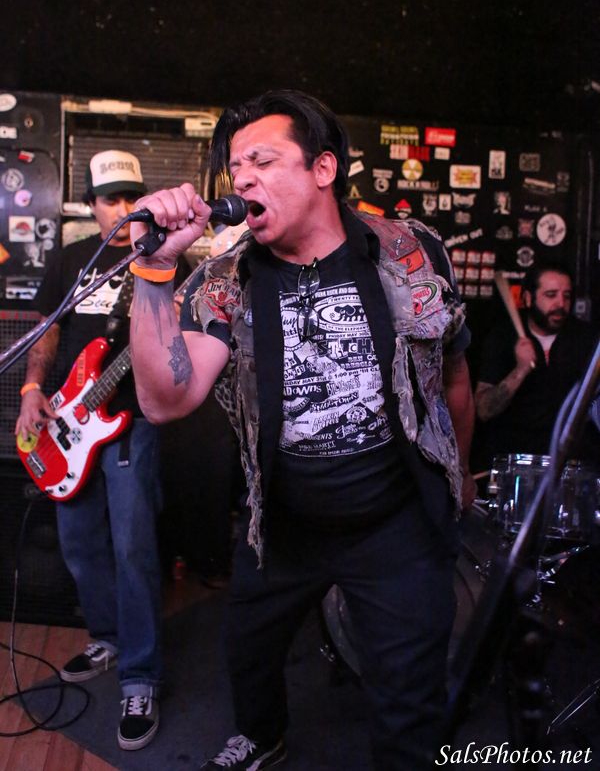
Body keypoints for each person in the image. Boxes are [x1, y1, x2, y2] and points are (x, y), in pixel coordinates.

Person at [127, 90, 476, 771]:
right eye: (235, 169)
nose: (243, 180)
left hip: (395, 523)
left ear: (323, 169)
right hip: (283, 524)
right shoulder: (224, 279)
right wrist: (155, 271)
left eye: (262, 161)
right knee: (248, 646)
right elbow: (165, 401)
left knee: (409, 700)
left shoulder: (408, 250)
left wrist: (460, 473)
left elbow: (455, 373)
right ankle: (263, 736)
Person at [15, 150, 175, 752]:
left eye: (134, 197)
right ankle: (107, 637)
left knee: (133, 547)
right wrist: (32, 390)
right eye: (111, 199)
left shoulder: (165, 259)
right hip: (68, 421)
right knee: (79, 544)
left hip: (131, 421)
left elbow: (179, 340)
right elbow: (46, 332)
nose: (124, 209)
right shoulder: (70, 260)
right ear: (91, 205)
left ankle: (140, 676)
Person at [474, 262, 599, 460]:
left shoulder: (586, 339)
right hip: (515, 458)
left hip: (571, 461)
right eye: (551, 295)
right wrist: (520, 371)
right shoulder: (503, 337)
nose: (561, 304)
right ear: (528, 298)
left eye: (566, 296)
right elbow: (483, 410)